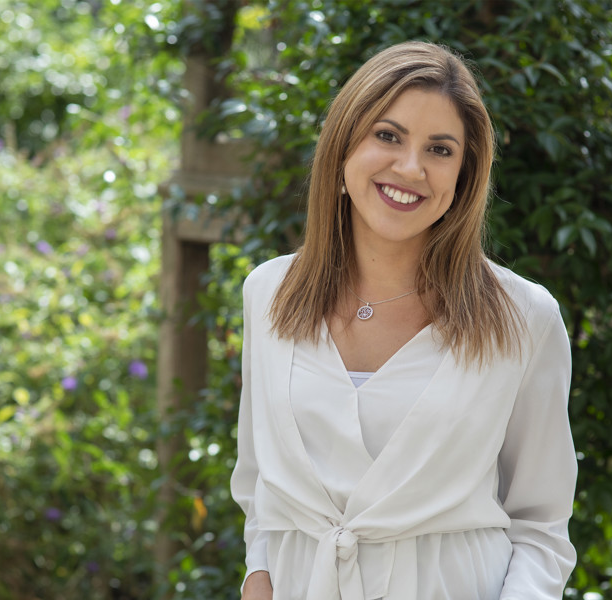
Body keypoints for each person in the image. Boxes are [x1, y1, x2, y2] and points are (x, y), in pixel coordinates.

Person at [230, 41, 577, 600]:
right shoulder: (269, 293)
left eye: (440, 150)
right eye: (388, 136)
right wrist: (259, 572)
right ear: (343, 147)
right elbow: (258, 482)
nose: (410, 168)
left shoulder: (524, 318)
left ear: (463, 178)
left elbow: (540, 525)